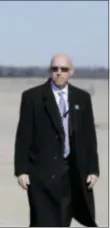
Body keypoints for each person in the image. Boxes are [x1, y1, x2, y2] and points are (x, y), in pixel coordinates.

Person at [14, 53, 99, 227]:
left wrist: (93, 169)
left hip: (71, 172)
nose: (59, 73)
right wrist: (21, 170)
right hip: (41, 172)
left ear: (71, 71)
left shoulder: (82, 98)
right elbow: (23, 135)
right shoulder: (33, 97)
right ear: (50, 71)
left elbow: (89, 136)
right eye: (55, 69)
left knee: (63, 220)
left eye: (64, 69)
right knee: (42, 221)